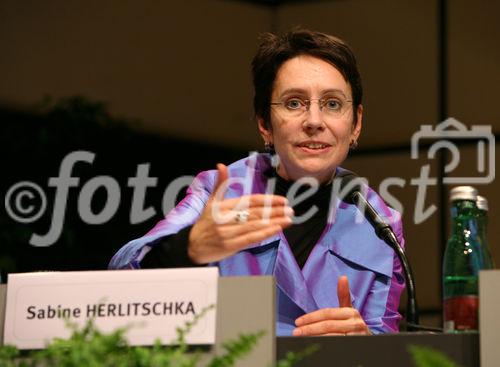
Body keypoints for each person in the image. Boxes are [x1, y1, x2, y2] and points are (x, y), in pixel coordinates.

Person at [109, 28, 405, 336]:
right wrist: (187, 247)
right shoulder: (220, 191)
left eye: (332, 104)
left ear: (355, 123)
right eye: (294, 103)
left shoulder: (379, 222)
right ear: (264, 123)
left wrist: (365, 342)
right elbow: (121, 282)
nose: (314, 121)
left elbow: (385, 339)